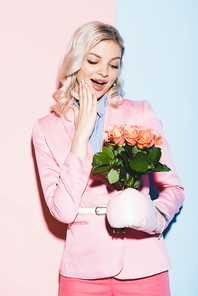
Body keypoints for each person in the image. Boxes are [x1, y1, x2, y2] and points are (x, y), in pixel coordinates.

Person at [32, 21, 184, 296]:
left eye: (114, 65)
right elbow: (63, 211)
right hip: (82, 270)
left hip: (144, 266)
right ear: (76, 61)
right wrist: (81, 136)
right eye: (94, 61)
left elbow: (173, 188)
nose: (104, 72)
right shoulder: (45, 128)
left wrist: (157, 217)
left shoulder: (140, 114)